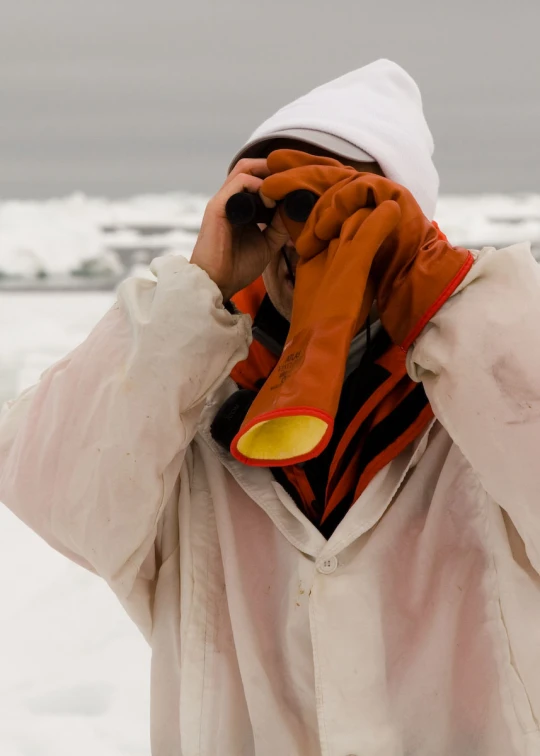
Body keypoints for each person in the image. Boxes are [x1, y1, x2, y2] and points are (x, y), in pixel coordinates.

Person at [1, 58, 539, 756]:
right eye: (278, 203)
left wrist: (444, 298)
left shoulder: (476, 411)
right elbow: (51, 486)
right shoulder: (184, 419)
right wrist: (198, 293)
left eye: (354, 205)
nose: (309, 238)